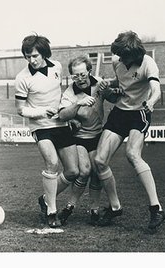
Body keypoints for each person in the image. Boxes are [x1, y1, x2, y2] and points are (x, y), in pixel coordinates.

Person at [95, 31, 165, 229]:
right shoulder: (117, 63)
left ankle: (156, 209)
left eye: (124, 55)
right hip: (120, 113)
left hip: (140, 112)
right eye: (119, 54)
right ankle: (115, 207)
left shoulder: (147, 63)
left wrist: (151, 102)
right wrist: (108, 87)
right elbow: (121, 85)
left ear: (135, 53)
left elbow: (156, 89)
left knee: (132, 154)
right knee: (100, 160)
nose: (121, 59)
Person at [14, 34, 79, 228]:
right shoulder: (22, 78)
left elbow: (62, 94)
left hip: (60, 124)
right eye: (27, 56)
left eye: (35, 55)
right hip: (40, 127)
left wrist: (70, 114)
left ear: (44, 53)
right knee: (52, 163)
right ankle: (51, 211)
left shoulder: (57, 67)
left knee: (73, 171)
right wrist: (42, 111)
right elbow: (20, 109)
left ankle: (45, 199)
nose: (31, 60)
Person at [57, 55, 123, 226]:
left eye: (82, 74)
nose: (79, 79)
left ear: (89, 71)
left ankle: (94, 210)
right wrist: (79, 103)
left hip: (97, 136)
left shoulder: (98, 83)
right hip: (78, 138)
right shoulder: (69, 93)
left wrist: (111, 90)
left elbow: (113, 99)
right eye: (75, 76)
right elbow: (62, 115)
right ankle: (69, 206)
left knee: (96, 172)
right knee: (84, 170)